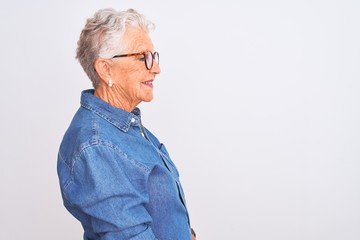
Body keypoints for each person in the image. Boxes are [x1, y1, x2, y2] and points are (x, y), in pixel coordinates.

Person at [57, 8, 196, 240]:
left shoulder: (124, 125)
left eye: (154, 56)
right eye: (143, 57)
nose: (156, 68)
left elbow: (163, 212)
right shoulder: (96, 145)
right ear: (105, 68)